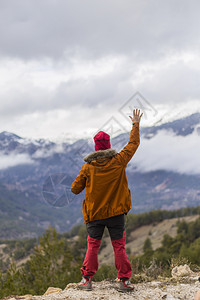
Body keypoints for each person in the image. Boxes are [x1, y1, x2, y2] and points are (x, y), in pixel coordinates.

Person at [71, 108, 143, 292]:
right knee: (119, 246)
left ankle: (87, 280)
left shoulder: (87, 168)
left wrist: (86, 180)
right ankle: (123, 281)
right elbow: (133, 144)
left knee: (92, 246)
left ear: (95, 147)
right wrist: (135, 124)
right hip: (116, 212)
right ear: (108, 145)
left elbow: (74, 189)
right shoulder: (119, 161)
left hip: (94, 214)